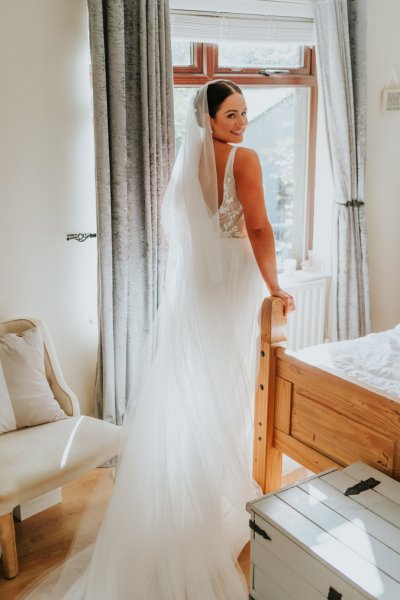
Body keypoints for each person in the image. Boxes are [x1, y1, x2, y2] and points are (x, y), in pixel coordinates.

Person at [29, 80, 294, 600]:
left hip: (199, 287)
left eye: (245, 113)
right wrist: (276, 287)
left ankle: (197, 493)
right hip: (233, 286)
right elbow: (259, 229)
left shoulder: (189, 160)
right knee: (229, 388)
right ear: (211, 119)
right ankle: (217, 496)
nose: (242, 123)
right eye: (232, 114)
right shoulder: (244, 159)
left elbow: (182, 229)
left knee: (201, 388)